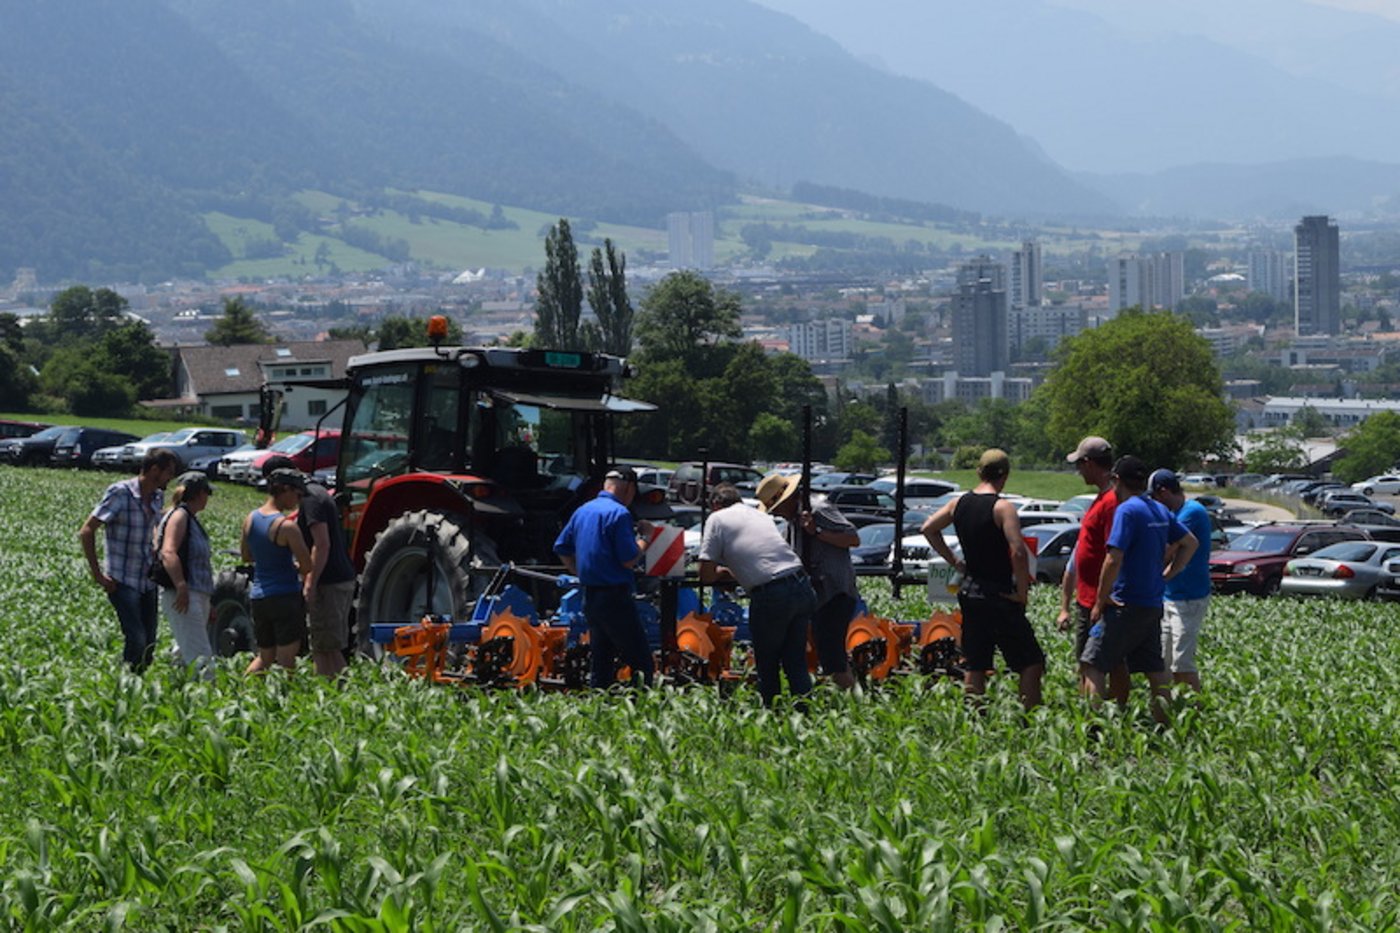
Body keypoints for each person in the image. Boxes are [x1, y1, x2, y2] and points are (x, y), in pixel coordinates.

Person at [920, 449, 1044, 709]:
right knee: (1031, 663)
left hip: (970, 592)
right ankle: (1030, 720)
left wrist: (955, 562)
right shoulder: (1003, 508)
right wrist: (1022, 593)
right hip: (999, 594)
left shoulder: (958, 504)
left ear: (979, 473)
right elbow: (1018, 552)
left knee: (975, 664)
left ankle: (974, 717)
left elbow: (928, 528)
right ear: (1005, 476)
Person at [1084, 456, 1199, 724]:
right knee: (1155, 670)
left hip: (1125, 603)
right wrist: (1168, 575)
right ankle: (1164, 727)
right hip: (1152, 603)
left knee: (1092, 664)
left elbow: (1113, 558)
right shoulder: (1159, 509)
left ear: (1116, 480)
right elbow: (1190, 543)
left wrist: (1100, 600)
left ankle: (1092, 731)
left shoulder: (1127, 510)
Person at [699, 482, 817, 705]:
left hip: (771, 592)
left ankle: (772, 713)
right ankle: (804, 714)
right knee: (795, 661)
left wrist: (723, 573)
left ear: (715, 504)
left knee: (767, 662)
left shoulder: (717, 518)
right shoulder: (761, 516)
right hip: (800, 584)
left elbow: (705, 574)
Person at [755, 472, 860, 690]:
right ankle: (849, 695)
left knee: (833, 658)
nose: (777, 514)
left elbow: (852, 538)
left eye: (777, 508)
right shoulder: (793, 522)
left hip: (834, 592)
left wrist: (817, 532)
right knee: (828, 654)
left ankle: (854, 699)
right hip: (817, 596)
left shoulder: (818, 509)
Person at [79, 448, 180, 672]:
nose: (170, 478)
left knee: (149, 644)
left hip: (147, 580)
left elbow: (153, 527)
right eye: (168, 472)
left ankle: (137, 686)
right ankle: (124, 683)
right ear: (155, 470)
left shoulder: (157, 496)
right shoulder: (120, 493)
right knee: (136, 638)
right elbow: (87, 531)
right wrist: (98, 574)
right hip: (122, 580)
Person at [553, 467, 655, 688]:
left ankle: (599, 703)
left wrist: (578, 571)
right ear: (629, 488)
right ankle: (640, 705)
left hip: (590, 596)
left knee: (601, 662)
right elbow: (629, 559)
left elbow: (561, 547)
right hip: (615, 598)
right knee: (642, 664)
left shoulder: (583, 510)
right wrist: (646, 537)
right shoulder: (619, 514)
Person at [262, 456, 355, 678]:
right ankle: (332, 690)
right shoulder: (318, 491)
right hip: (337, 578)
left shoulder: (310, 498)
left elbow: (322, 544)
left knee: (325, 647)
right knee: (326, 646)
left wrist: (310, 583)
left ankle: (336, 691)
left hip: (328, 582)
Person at [1056, 435, 1130, 702]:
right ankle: (1110, 713)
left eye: (1079, 465)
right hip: (1089, 598)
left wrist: (1103, 597)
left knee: (1094, 664)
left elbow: (1115, 552)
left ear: (1089, 463)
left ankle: (1096, 718)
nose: (1078, 471)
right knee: (1099, 662)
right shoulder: (1102, 498)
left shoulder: (1111, 502)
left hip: (1099, 601)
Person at [241, 468, 314, 675]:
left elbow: (246, 556)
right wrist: (293, 566)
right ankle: (283, 694)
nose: (298, 500)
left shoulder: (250, 519)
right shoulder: (286, 527)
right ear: (285, 489)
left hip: (259, 597)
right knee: (286, 659)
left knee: (264, 657)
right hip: (284, 597)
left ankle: (241, 690)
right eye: (297, 494)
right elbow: (307, 566)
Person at [1149, 468, 1212, 692]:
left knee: (1181, 663)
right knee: (1162, 662)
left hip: (1189, 598)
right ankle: (1167, 707)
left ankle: (1196, 708)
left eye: (1155, 497)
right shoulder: (1175, 513)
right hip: (1170, 596)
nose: (1154, 503)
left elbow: (1167, 548)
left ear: (1164, 492)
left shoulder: (1191, 512)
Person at [154, 471, 217, 679]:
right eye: (207, 493)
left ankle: (176, 686)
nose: (208, 498)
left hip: (197, 592)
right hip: (185, 594)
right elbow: (168, 552)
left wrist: (209, 601)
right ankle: (207, 692)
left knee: (184, 649)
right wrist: (181, 586)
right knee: (201, 654)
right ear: (199, 494)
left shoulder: (190, 518)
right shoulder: (180, 516)